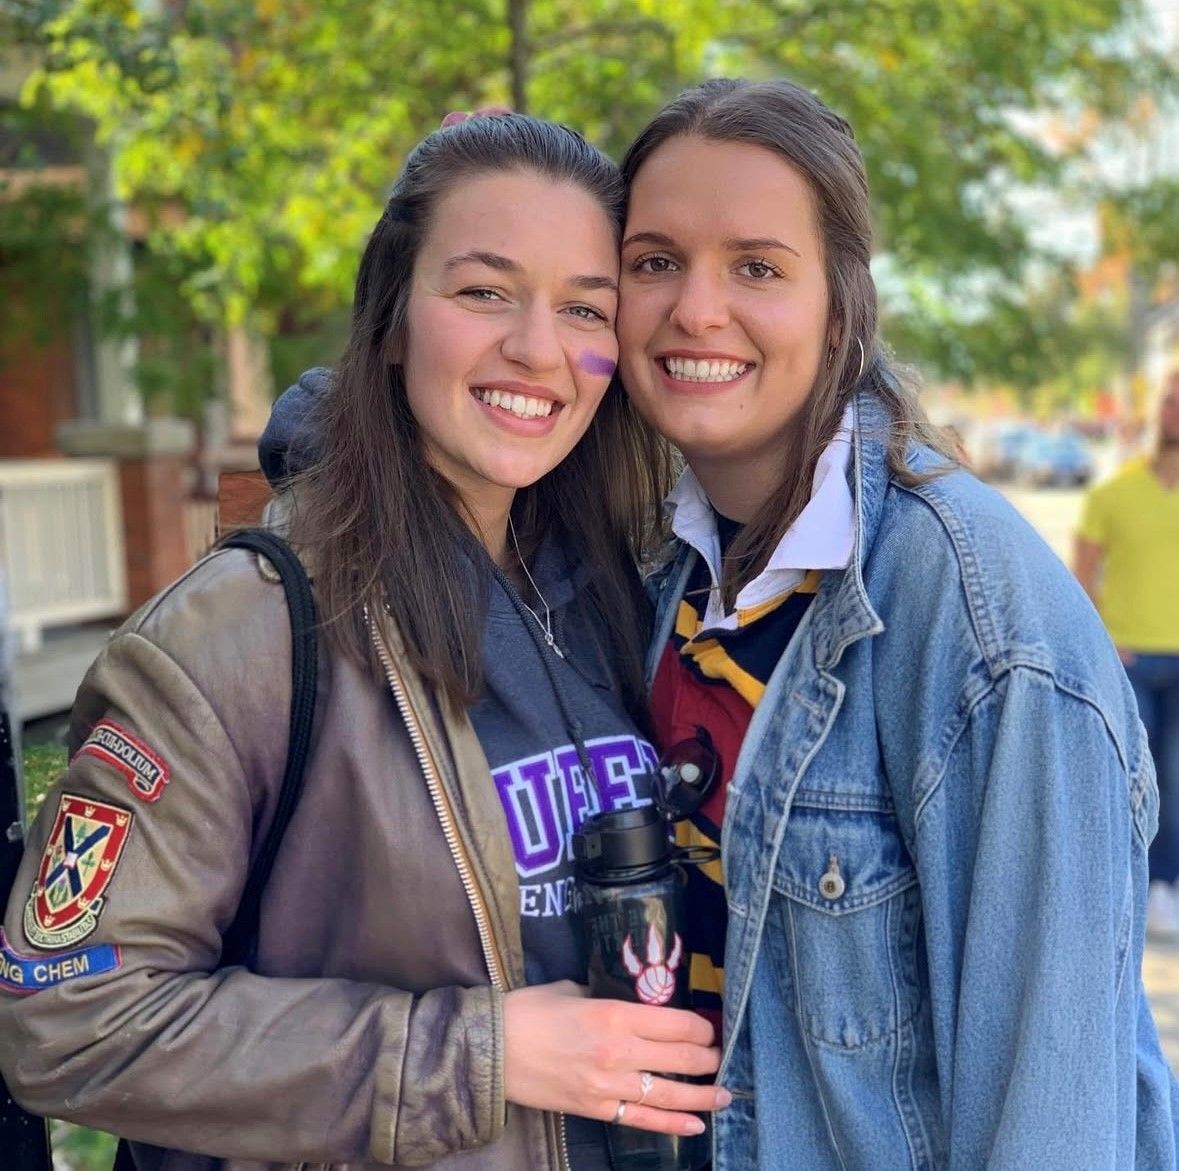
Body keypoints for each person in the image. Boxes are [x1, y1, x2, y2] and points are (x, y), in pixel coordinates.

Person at [0, 114, 732, 1171]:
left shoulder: (623, 592)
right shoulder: (240, 636)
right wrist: (477, 1055)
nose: (536, 346)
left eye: (584, 306)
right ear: (392, 319)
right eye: (484, 290)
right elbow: (68, 1017)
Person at [615, 78, 1178, 1167]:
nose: (695, 308)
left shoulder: (980, 621)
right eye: (655, 261)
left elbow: (1048, 1119)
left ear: (842, 302)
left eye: (758, 267)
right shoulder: (661, 574)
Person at [1075, 372, 1179, 942]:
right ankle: (1128, 888)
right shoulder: (1114, 493)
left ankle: (1165, 886)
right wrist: (1104, 641)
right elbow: (1083, 577)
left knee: (1178, 779)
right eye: (1170, 399)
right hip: (1132, 659)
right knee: (1135, 780)